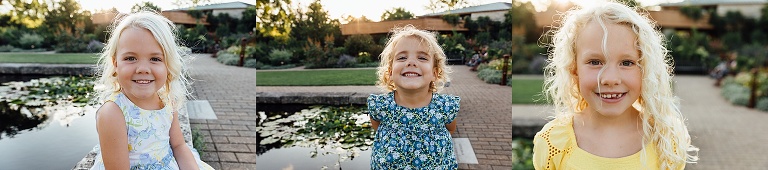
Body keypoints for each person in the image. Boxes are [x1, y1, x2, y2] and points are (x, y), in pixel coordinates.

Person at [533, 2, 698, 170]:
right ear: (574, 69)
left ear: (646, 70)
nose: (610, 79)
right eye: (595, 62)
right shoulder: (553, 141)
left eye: (627, 62)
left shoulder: (666, 138)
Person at [90, 11, 214, 170]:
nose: (142, 69)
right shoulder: (113, 113)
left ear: (167, 65)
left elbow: (178, 145)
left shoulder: (167, 100)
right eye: (130, 58)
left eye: (155, 59)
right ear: (116, 64)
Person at [368, 25, 460, 169]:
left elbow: (451, 128)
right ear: (390, 72)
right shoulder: (380, 106)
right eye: (402, 57)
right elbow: (377, 126)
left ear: (435, 73)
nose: (411, 62)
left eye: (422, 58)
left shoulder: (445, 107)